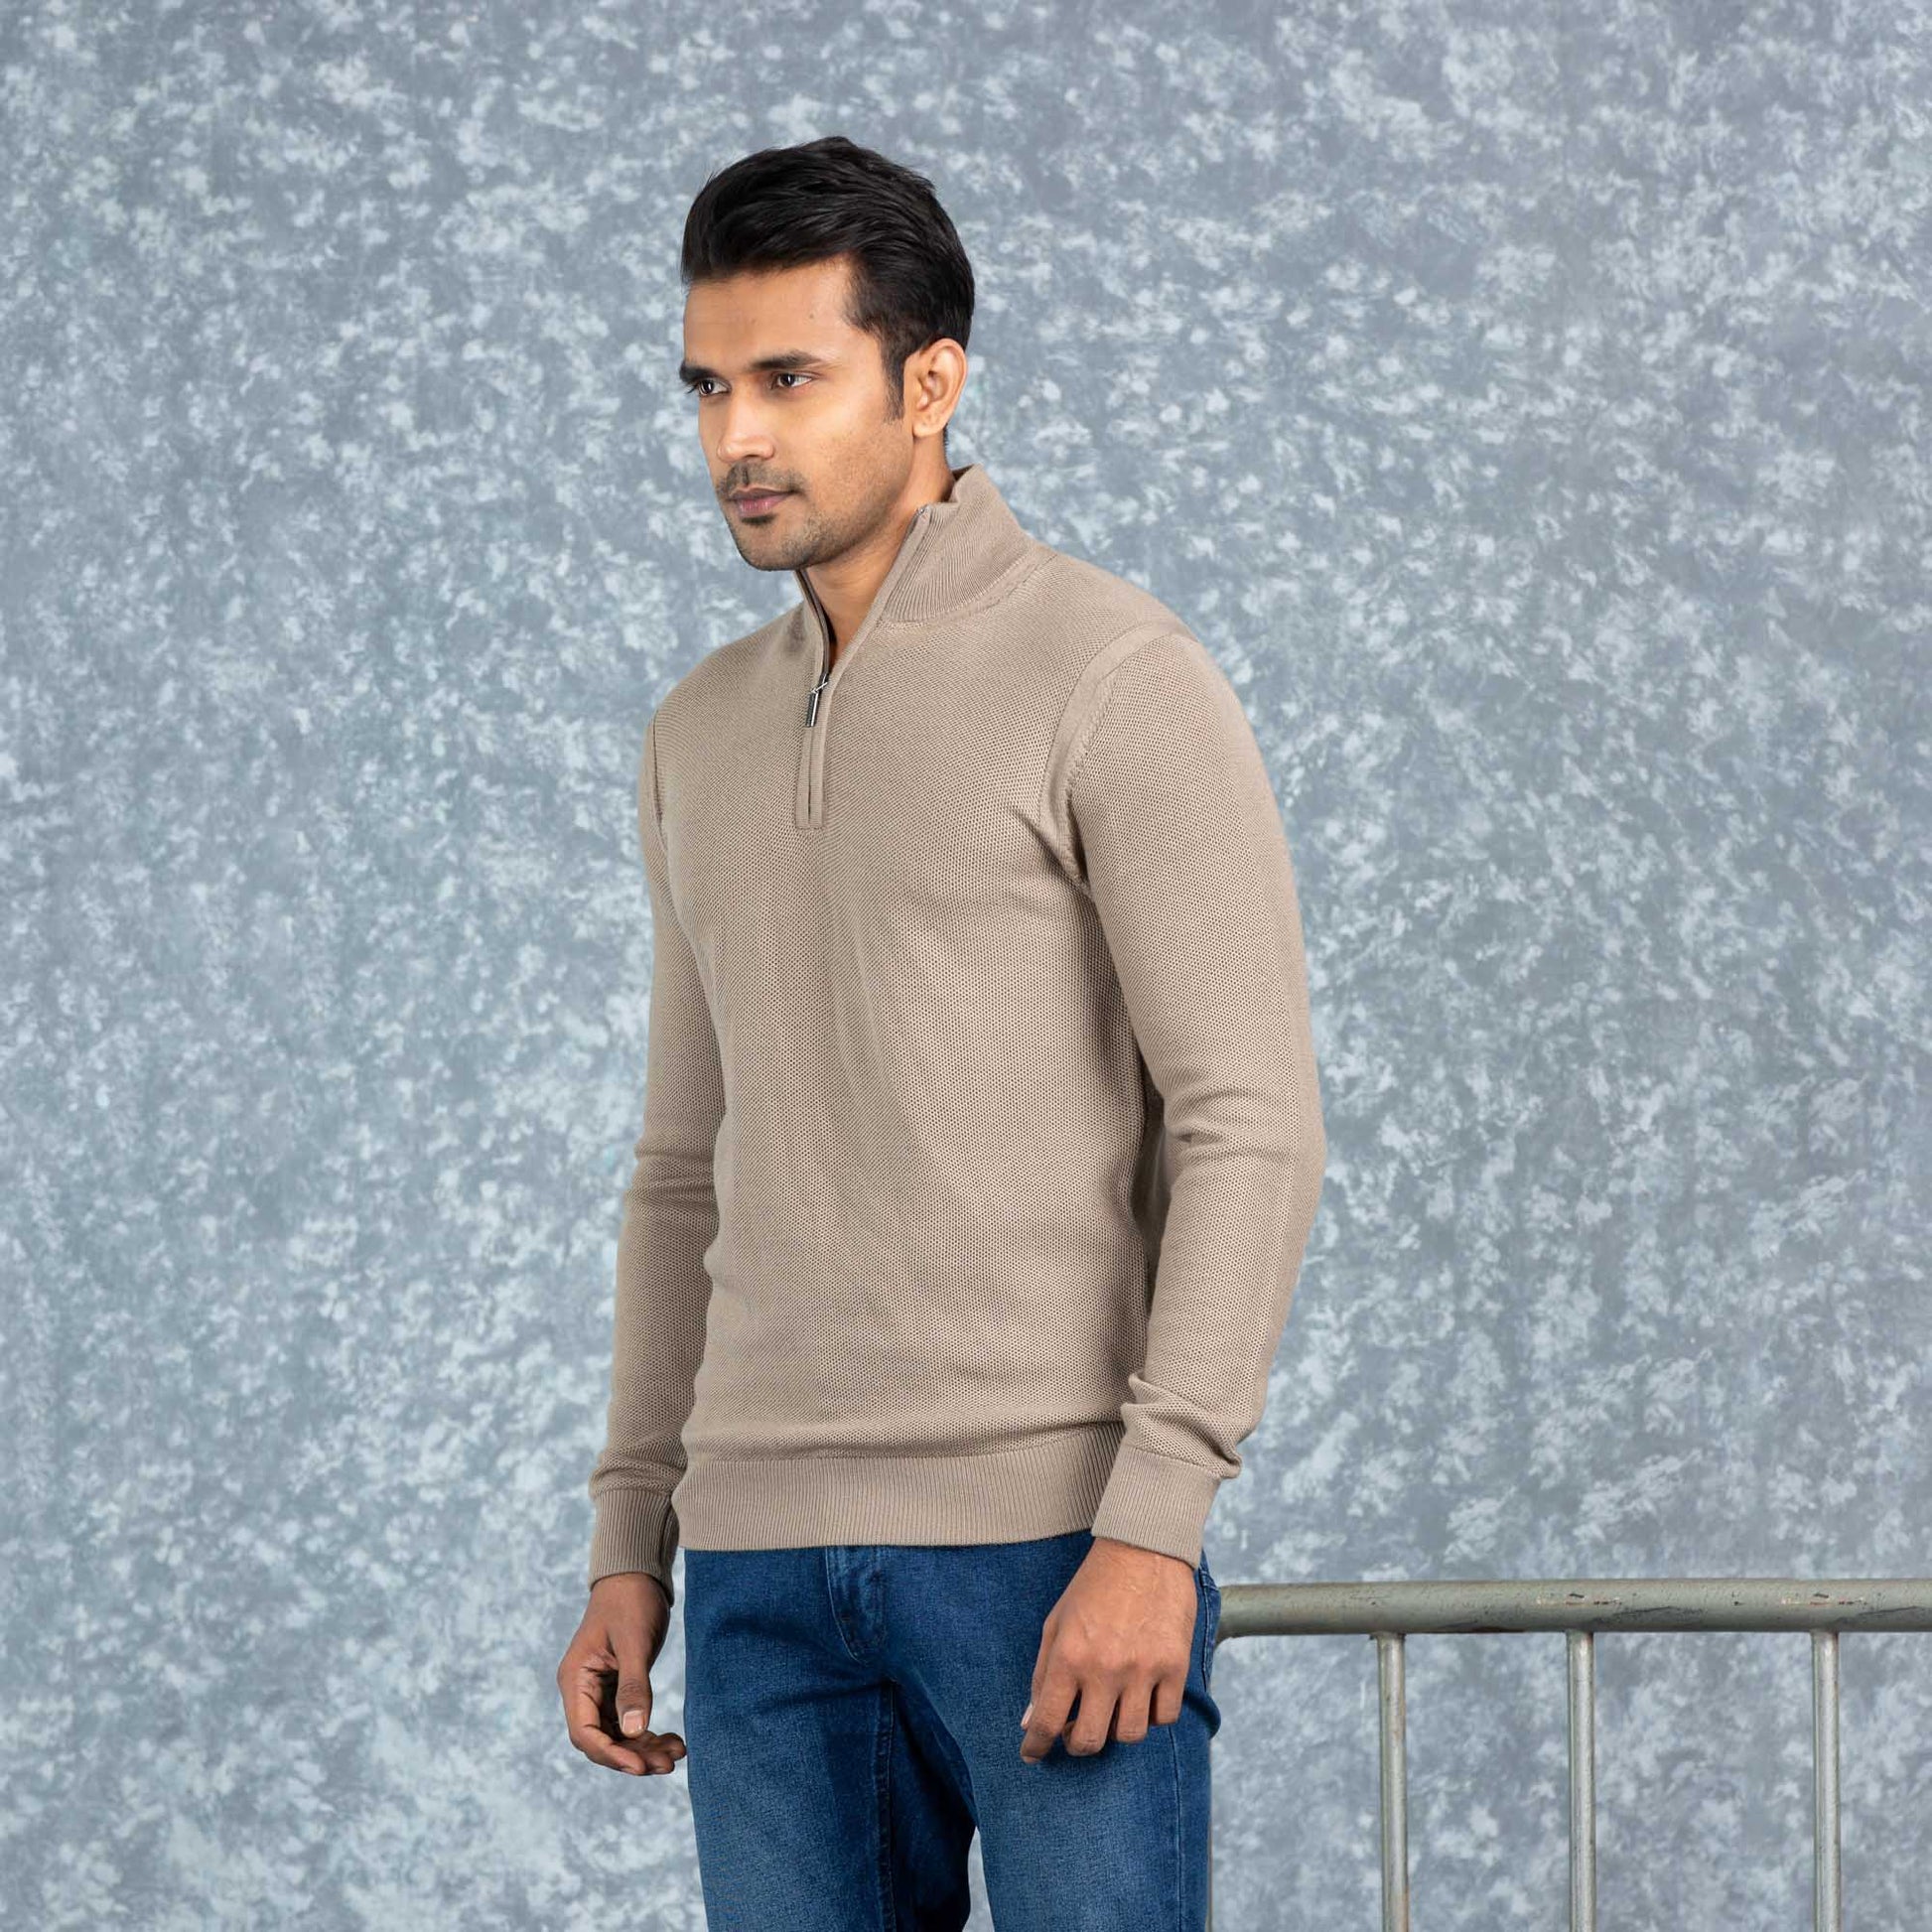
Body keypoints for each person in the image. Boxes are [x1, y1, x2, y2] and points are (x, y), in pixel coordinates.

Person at [556, 133, 1327, 1930]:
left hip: (1048, 1547)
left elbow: (1249, 1121)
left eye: (787, 378)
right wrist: (629, 1537)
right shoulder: (696, 732)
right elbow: (683, 1170)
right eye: (707, 387)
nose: (735, 436)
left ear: (929, 384)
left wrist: (1152, 1523)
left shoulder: (1111, 676)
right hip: (755, 1575)